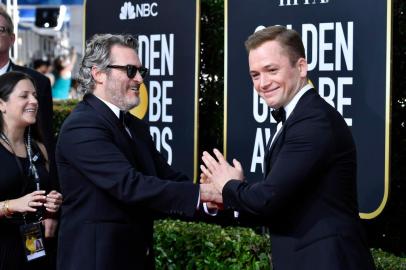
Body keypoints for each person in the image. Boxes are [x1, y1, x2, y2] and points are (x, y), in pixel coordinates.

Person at [201, 25, 376, 270]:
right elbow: (281, 202)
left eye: (271, 70)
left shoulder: (314, 122)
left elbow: (269, 199)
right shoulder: (298, 118)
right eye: (255, 75)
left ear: (301, 67)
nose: (262, 83)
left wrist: (229, 185)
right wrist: (229, 197)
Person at [56, 33, 218, 270]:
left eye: (142, 71)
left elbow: (165, 177)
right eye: (130, 70)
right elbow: (130, 185)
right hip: (95, 261)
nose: (140, 79)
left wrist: (211, 200)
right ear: (98, 73)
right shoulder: (82, 125)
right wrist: (203, 193)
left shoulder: (136, 126)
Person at [0, 71, 63, 270]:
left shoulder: (39, 147)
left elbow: (46, 190)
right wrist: (11, 205)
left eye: (35, 95)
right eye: (24, 95)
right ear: (1, 104)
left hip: (34, 248)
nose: (34, 101)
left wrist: (52, 204)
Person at [0, 7, 56, 182]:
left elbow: (45, 135)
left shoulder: (38, 82)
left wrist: (53, 187)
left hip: (23, 176)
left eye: (0, 30)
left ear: (12, 39)